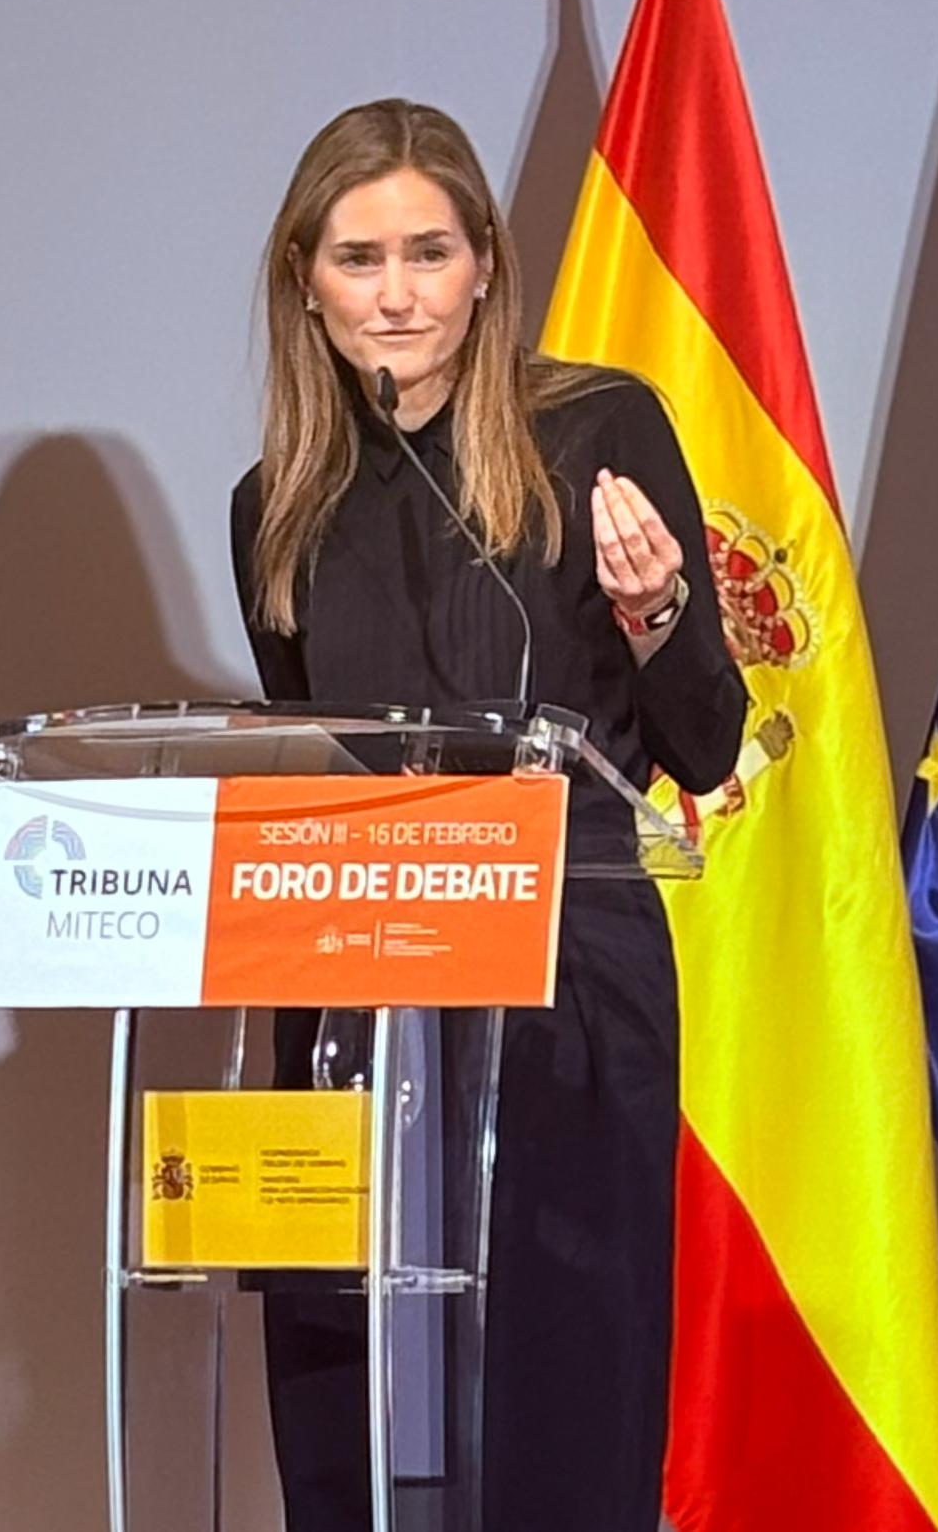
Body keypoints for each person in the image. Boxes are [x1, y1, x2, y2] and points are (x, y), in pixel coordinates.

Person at [229, 98, 747, 1532]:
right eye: (357, 258)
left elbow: (704, 741)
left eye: (429, 252)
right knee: (343, 1368)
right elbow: (311, 759)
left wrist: (656, 616)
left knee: (562, 1374)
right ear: (305, 283)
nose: (396, 293)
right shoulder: (276, 505)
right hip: (357, 977)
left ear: (483, 267)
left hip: (567, 970)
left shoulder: (594, 429)